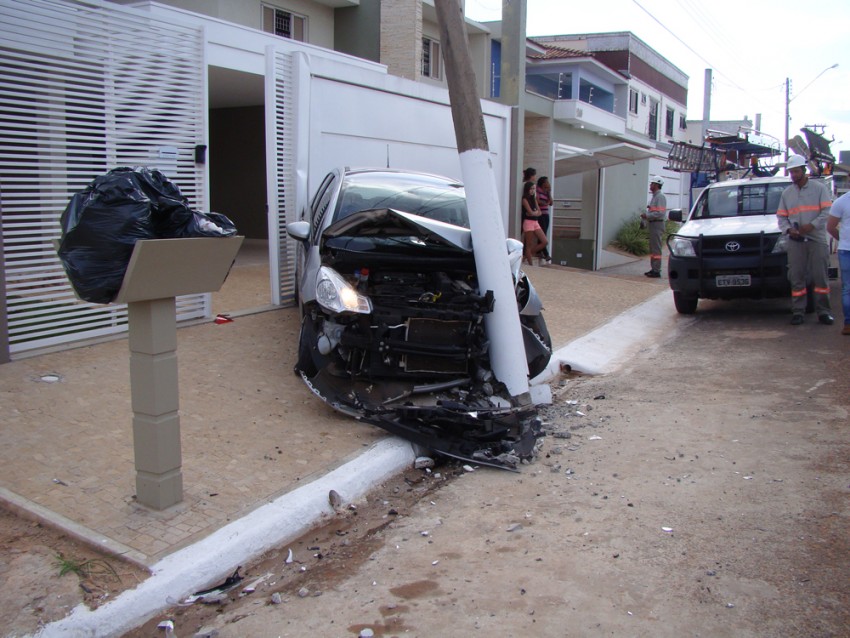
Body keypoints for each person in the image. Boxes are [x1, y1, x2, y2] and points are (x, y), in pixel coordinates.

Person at [777, 154, 833, 325]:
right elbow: (781, 217)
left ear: (804, 170)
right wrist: (788, 229)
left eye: (796, 171)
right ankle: (798, 311)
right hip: (796, 241)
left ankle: (823, 311)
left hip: (816, 239)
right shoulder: (787, 193)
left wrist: (812, 225)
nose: (793, 175)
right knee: (796, 277)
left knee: (820, 278)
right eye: (791, 172)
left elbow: (826, 212)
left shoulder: (819, 189)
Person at [827, 189, 850, 335]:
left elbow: (830, 227)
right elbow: (830, 227)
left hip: (845, 250)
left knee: (847, 288)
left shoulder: (841, 202)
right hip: (846, 249)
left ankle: (848, 324)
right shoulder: (840, 202)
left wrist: (843, 241)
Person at [641, 175, 666, 278]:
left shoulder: (660, 197)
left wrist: (647, 215)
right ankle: (654, 268)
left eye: (652, 183)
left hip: (657, 224)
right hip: (653, 224)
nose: (650, 185)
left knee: (656, 249)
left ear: (656, 185)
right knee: (653, 248)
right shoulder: (655, 197)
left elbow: (660, 213)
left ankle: (656, 270)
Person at [521, 180, 548, 265]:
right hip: (528, 222)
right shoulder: (525, 199)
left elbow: (539, 212)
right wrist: (533, 212)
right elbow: (530, 212)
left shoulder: (534, 199)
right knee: (528, 244)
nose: (533, 190)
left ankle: (527, 255)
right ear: (527, 189)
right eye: (531, 188)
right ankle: (530, 263)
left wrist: (533, 213)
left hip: (535, 222)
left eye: (534, 189)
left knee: (544, 241)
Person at [536, 176, 553, 264]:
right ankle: (546, 253)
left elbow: (551, 202)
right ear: (543, 183)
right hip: (540, 214)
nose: (548, 183)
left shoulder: (546, 192)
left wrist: (549, 192)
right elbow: (537, 201)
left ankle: (539, 251)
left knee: (544, 231)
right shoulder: (538, 190)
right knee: (542, 233)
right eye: (547, 181)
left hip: (546, 214)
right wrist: (545, 203)